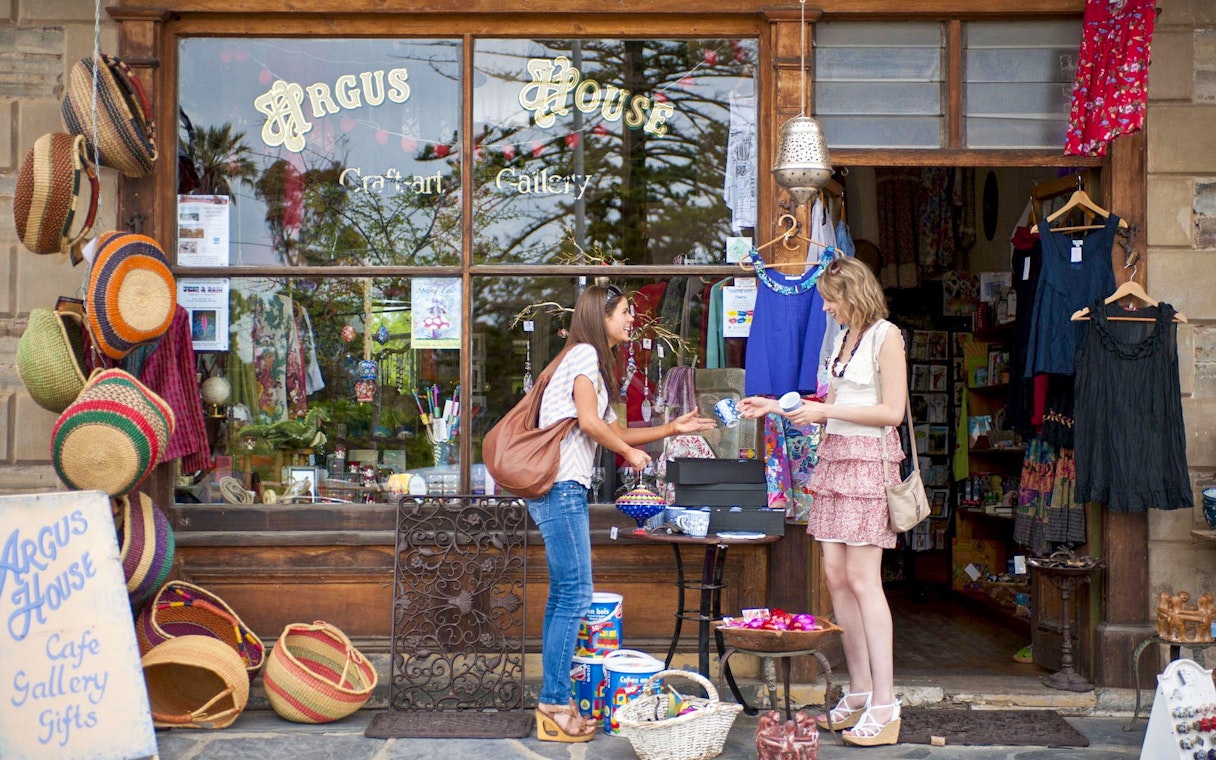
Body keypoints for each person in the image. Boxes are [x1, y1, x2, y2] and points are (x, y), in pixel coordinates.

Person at [529, 283, 715, 743]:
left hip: (562, 487)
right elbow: (591, 425)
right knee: (574, 595)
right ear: (601, 316)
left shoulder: (589, 361)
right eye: (626, 312)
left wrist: (672, 428)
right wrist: (628, 456)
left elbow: (615, 429)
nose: (633, 319)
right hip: (561, 486)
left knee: (565, 595)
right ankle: (554, 703)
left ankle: (553, 700)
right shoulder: (583, 356)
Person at [739, 256, 906, 747]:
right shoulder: (841, 338)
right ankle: (859, 689)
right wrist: (775, 406)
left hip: (868, 462)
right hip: (834, 461)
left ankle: (885, 703)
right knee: (835, 576)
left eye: (832, 300)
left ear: (854, 294)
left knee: (863, 579)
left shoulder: (886, 336)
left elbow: (892, 411)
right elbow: (828, 405)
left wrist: (825, 411)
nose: (827, 308)